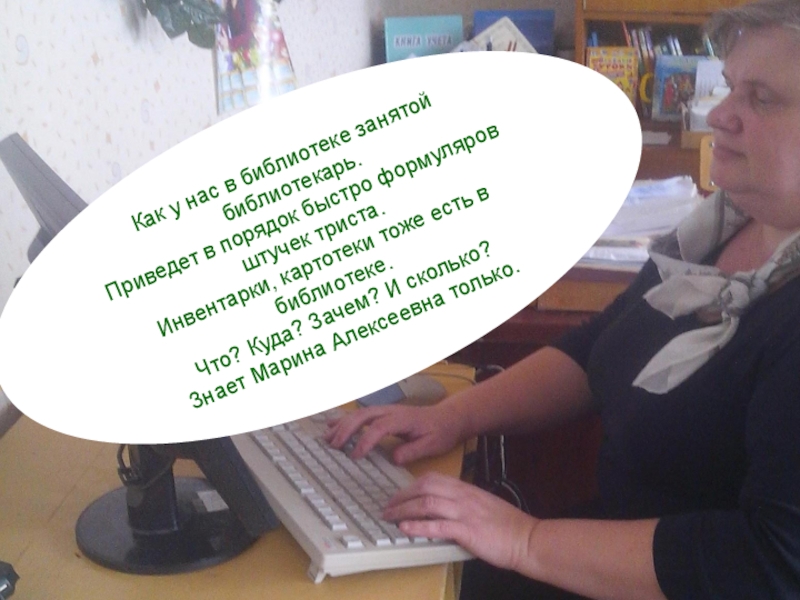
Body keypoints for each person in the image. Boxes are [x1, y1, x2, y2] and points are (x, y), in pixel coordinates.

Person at [326, 0, 800, 598]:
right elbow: (601, 346)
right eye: (730, 87)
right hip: (594, 554)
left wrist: (524, 540)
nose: (720, 114)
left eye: (762, 99)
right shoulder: (724, 225)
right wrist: (452, 417)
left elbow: (768, 564)